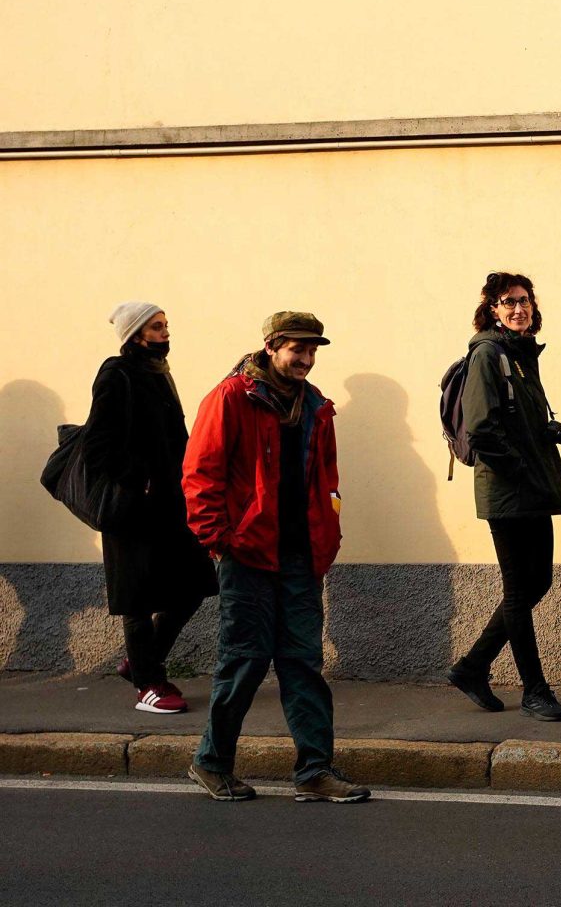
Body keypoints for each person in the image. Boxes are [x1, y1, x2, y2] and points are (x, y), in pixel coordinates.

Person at [182, 311, 369, 803]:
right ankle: (212, 762)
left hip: (300, 555)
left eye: (312, 351)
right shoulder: (231, 397)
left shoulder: (314, 406)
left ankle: (314, 771)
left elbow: (326, 481)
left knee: (303, 663)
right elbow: (200, 474)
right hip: (246, 553)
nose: (306, 359)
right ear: (271, 346)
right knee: (244, 661)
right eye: (297, 350)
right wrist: (219, 539)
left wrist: (328, 538)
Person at [447, 272, 561, 722]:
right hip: (508, 490)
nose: (519, 308)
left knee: (538, 581)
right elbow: (483, 428)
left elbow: (523, 419)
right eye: (508, 302)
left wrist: (558, 434)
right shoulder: (488, 354)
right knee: (520, 589)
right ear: (493, 309)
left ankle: (472, 666)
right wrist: (521, 468)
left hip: (531, 486)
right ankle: (534, 690)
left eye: (524, 301)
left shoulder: (520, 355)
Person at [83, 302, 217, 714]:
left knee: (195, 584)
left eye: (165, 326)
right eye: (157, 328)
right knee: (137, 598)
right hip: (134, 506)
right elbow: (96, 445)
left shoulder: (159, 373)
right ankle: (148, 684)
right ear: (136, 334)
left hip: (173, 501)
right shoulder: (117, 373)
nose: (165, 334)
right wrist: (136, 481)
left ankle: (141, 662)